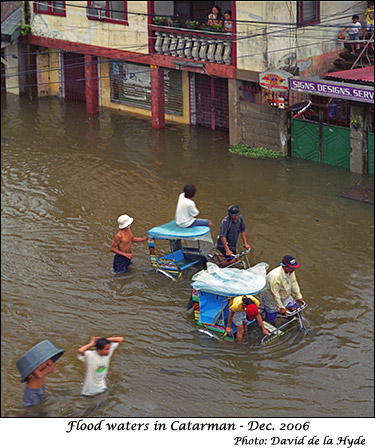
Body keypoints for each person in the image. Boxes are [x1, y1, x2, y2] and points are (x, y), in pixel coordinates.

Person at [260, 255, 306, 323]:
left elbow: (294, 283)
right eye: (291, 268)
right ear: (285, 266)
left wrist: (299, 297)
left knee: (295, 310)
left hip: (285, 295)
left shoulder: (291, 271)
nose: (294, 270)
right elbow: (275, 293)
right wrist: (280, 307)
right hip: (271, 299)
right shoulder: (275, 276)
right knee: (271, 319)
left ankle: (291, 321)